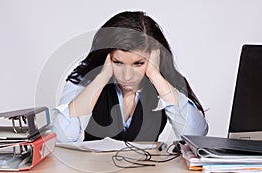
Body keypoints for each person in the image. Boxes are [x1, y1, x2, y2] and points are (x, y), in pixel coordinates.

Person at [52, 11, 208, 143]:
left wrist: (155, 76)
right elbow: (61, 137)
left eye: (138, 63)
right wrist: (100, 78)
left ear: (154, 58)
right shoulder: (85, 79)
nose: (127, 76)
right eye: (118, 62)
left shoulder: (164, 84)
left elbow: (196, 136)